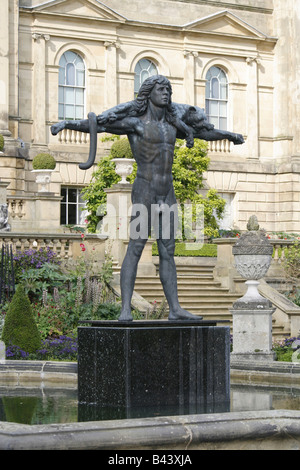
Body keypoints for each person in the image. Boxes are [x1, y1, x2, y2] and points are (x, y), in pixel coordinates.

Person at [51, 74, 244, 321]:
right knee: (136, 245)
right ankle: (125, 309)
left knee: (168, 250)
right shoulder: (135, 124)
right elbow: (98, 124)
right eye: (161, 89)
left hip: (168, 191)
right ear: (149, 93)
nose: (165, 93)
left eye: (168, 90)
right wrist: (66, 123)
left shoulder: (174, 125)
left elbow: (206, 133)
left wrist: (230, 135)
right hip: (145, 189)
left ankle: (174, 309)